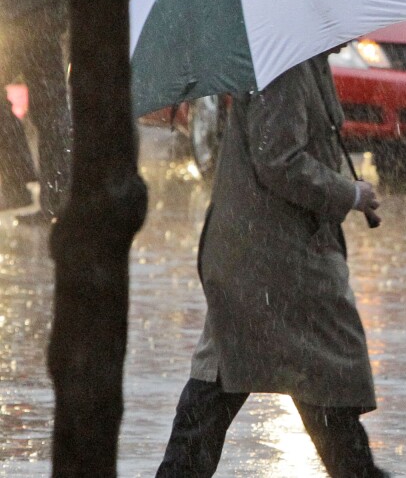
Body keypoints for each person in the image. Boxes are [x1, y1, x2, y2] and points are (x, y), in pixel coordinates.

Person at [156, 55, 388, 478]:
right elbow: (279, 160)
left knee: (225, 385)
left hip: (267, 259)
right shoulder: (285, 65)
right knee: (320, 383)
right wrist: (348, 194)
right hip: (275, 262)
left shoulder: (303, 61)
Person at [0, 0, 72, 222]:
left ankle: (15, 181)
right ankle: (53, 199)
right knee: (52, 109)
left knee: (51, 109)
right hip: (44, 10)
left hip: (17, 12)